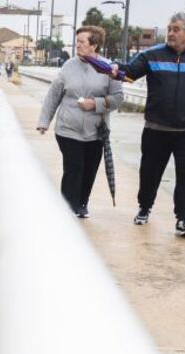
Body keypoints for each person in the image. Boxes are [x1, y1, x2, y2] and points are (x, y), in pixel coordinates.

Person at [112, 11, 185, 237]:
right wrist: (114, 69)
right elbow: (130, 73)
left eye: (175, 30)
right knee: (149, 173)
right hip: (156, 128)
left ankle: (183, 219)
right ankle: (144, 207)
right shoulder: (152, 55)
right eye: (169, 29)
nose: (170, 33)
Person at [35, 26, 123, 218]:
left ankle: (82, 203)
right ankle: (66, 208)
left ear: (94, 45)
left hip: (95, 131)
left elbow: (118, 98)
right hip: (68, 129)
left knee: (89, 169)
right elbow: (54, 94)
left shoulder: (109, 69)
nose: (78, 45)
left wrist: (96, 104)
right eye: (77, 41)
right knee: (73, 168)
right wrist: (44, 120)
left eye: (82, 42)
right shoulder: (69, 66)